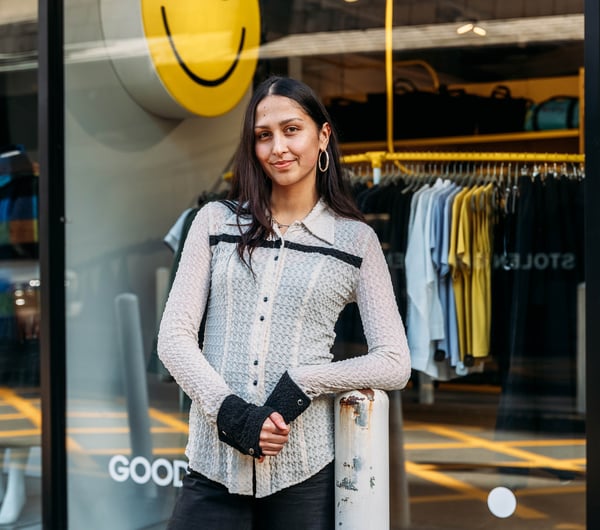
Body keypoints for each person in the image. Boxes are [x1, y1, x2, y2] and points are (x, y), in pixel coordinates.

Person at [157, 76, 411, 530]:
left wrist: (303, 382)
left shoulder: (356, 241)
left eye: (292, 129)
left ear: (323, 136)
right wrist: (231, 413)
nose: (278, 147)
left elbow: (395, 362)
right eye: (263, 135)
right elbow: (173, 340)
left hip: (305, 477)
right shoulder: (214, 222)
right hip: (212, 473)